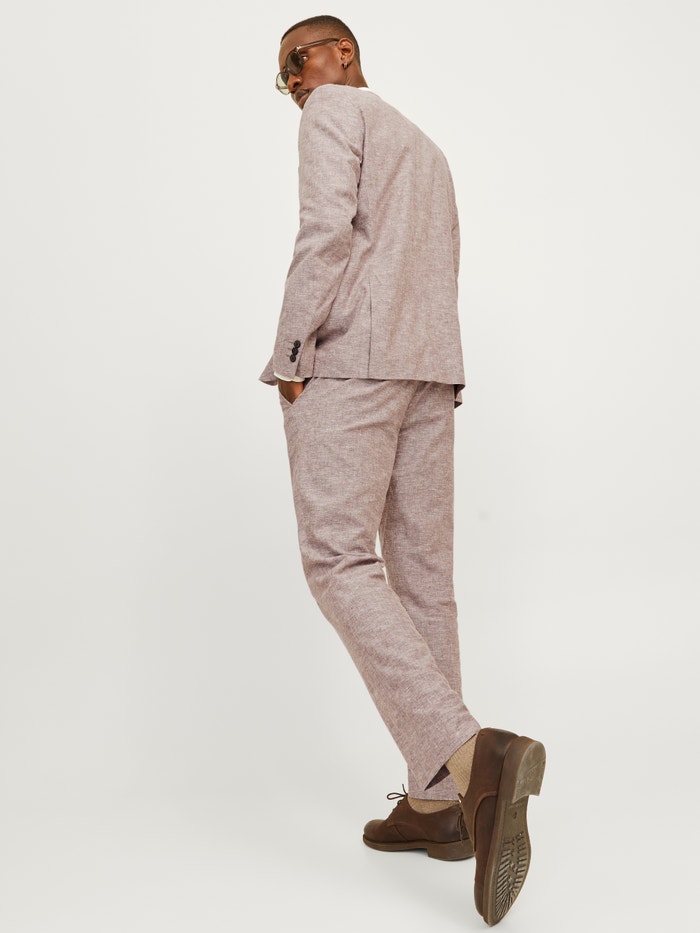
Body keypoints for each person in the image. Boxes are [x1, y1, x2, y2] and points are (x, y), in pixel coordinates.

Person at [260, 15, 546, 926]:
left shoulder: (333, 112)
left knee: (338, 560)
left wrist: (292, 351)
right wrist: (437, 366)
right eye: (283, 77)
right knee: (423, 578)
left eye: (296, 62)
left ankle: (471, 754)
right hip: (430, 366)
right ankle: (438, 803)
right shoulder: (425, 146)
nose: (292, 84)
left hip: (354, 362)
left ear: (340, 53)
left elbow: (325, 233)